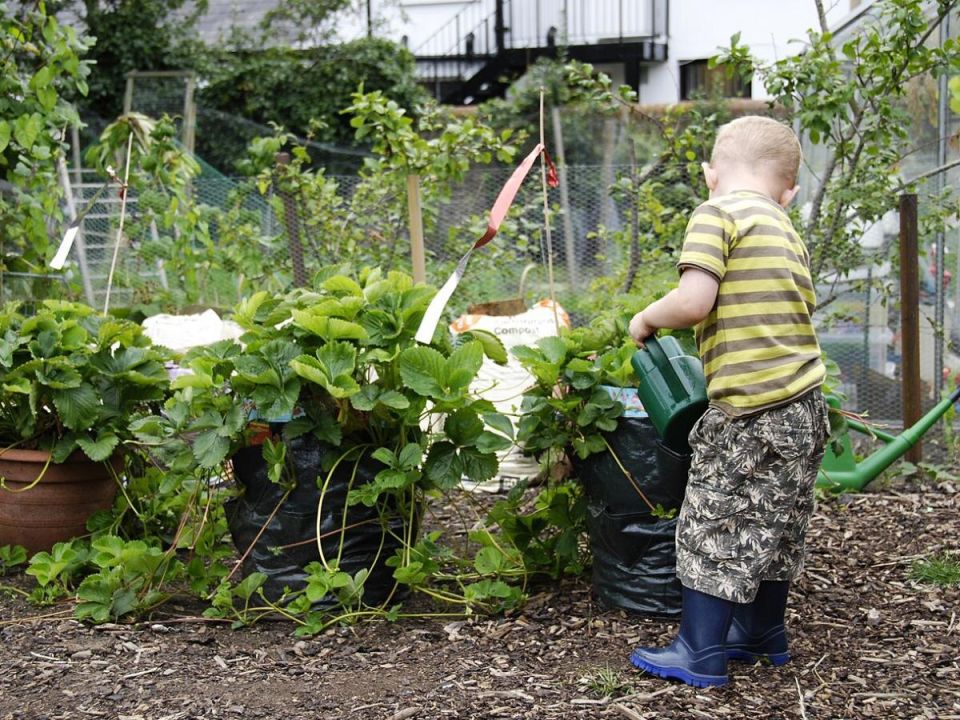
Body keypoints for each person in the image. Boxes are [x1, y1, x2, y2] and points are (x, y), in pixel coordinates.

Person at [627, 115, 830, 688]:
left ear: (710, 174)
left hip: (751, 409)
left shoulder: (716, 213)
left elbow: (695, 301)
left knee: (711, 524)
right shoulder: (786, 227)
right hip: (805, 406)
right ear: (788, 189)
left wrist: (645, 318)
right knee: (777, 523)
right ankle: (762, 634)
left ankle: (699, 651)